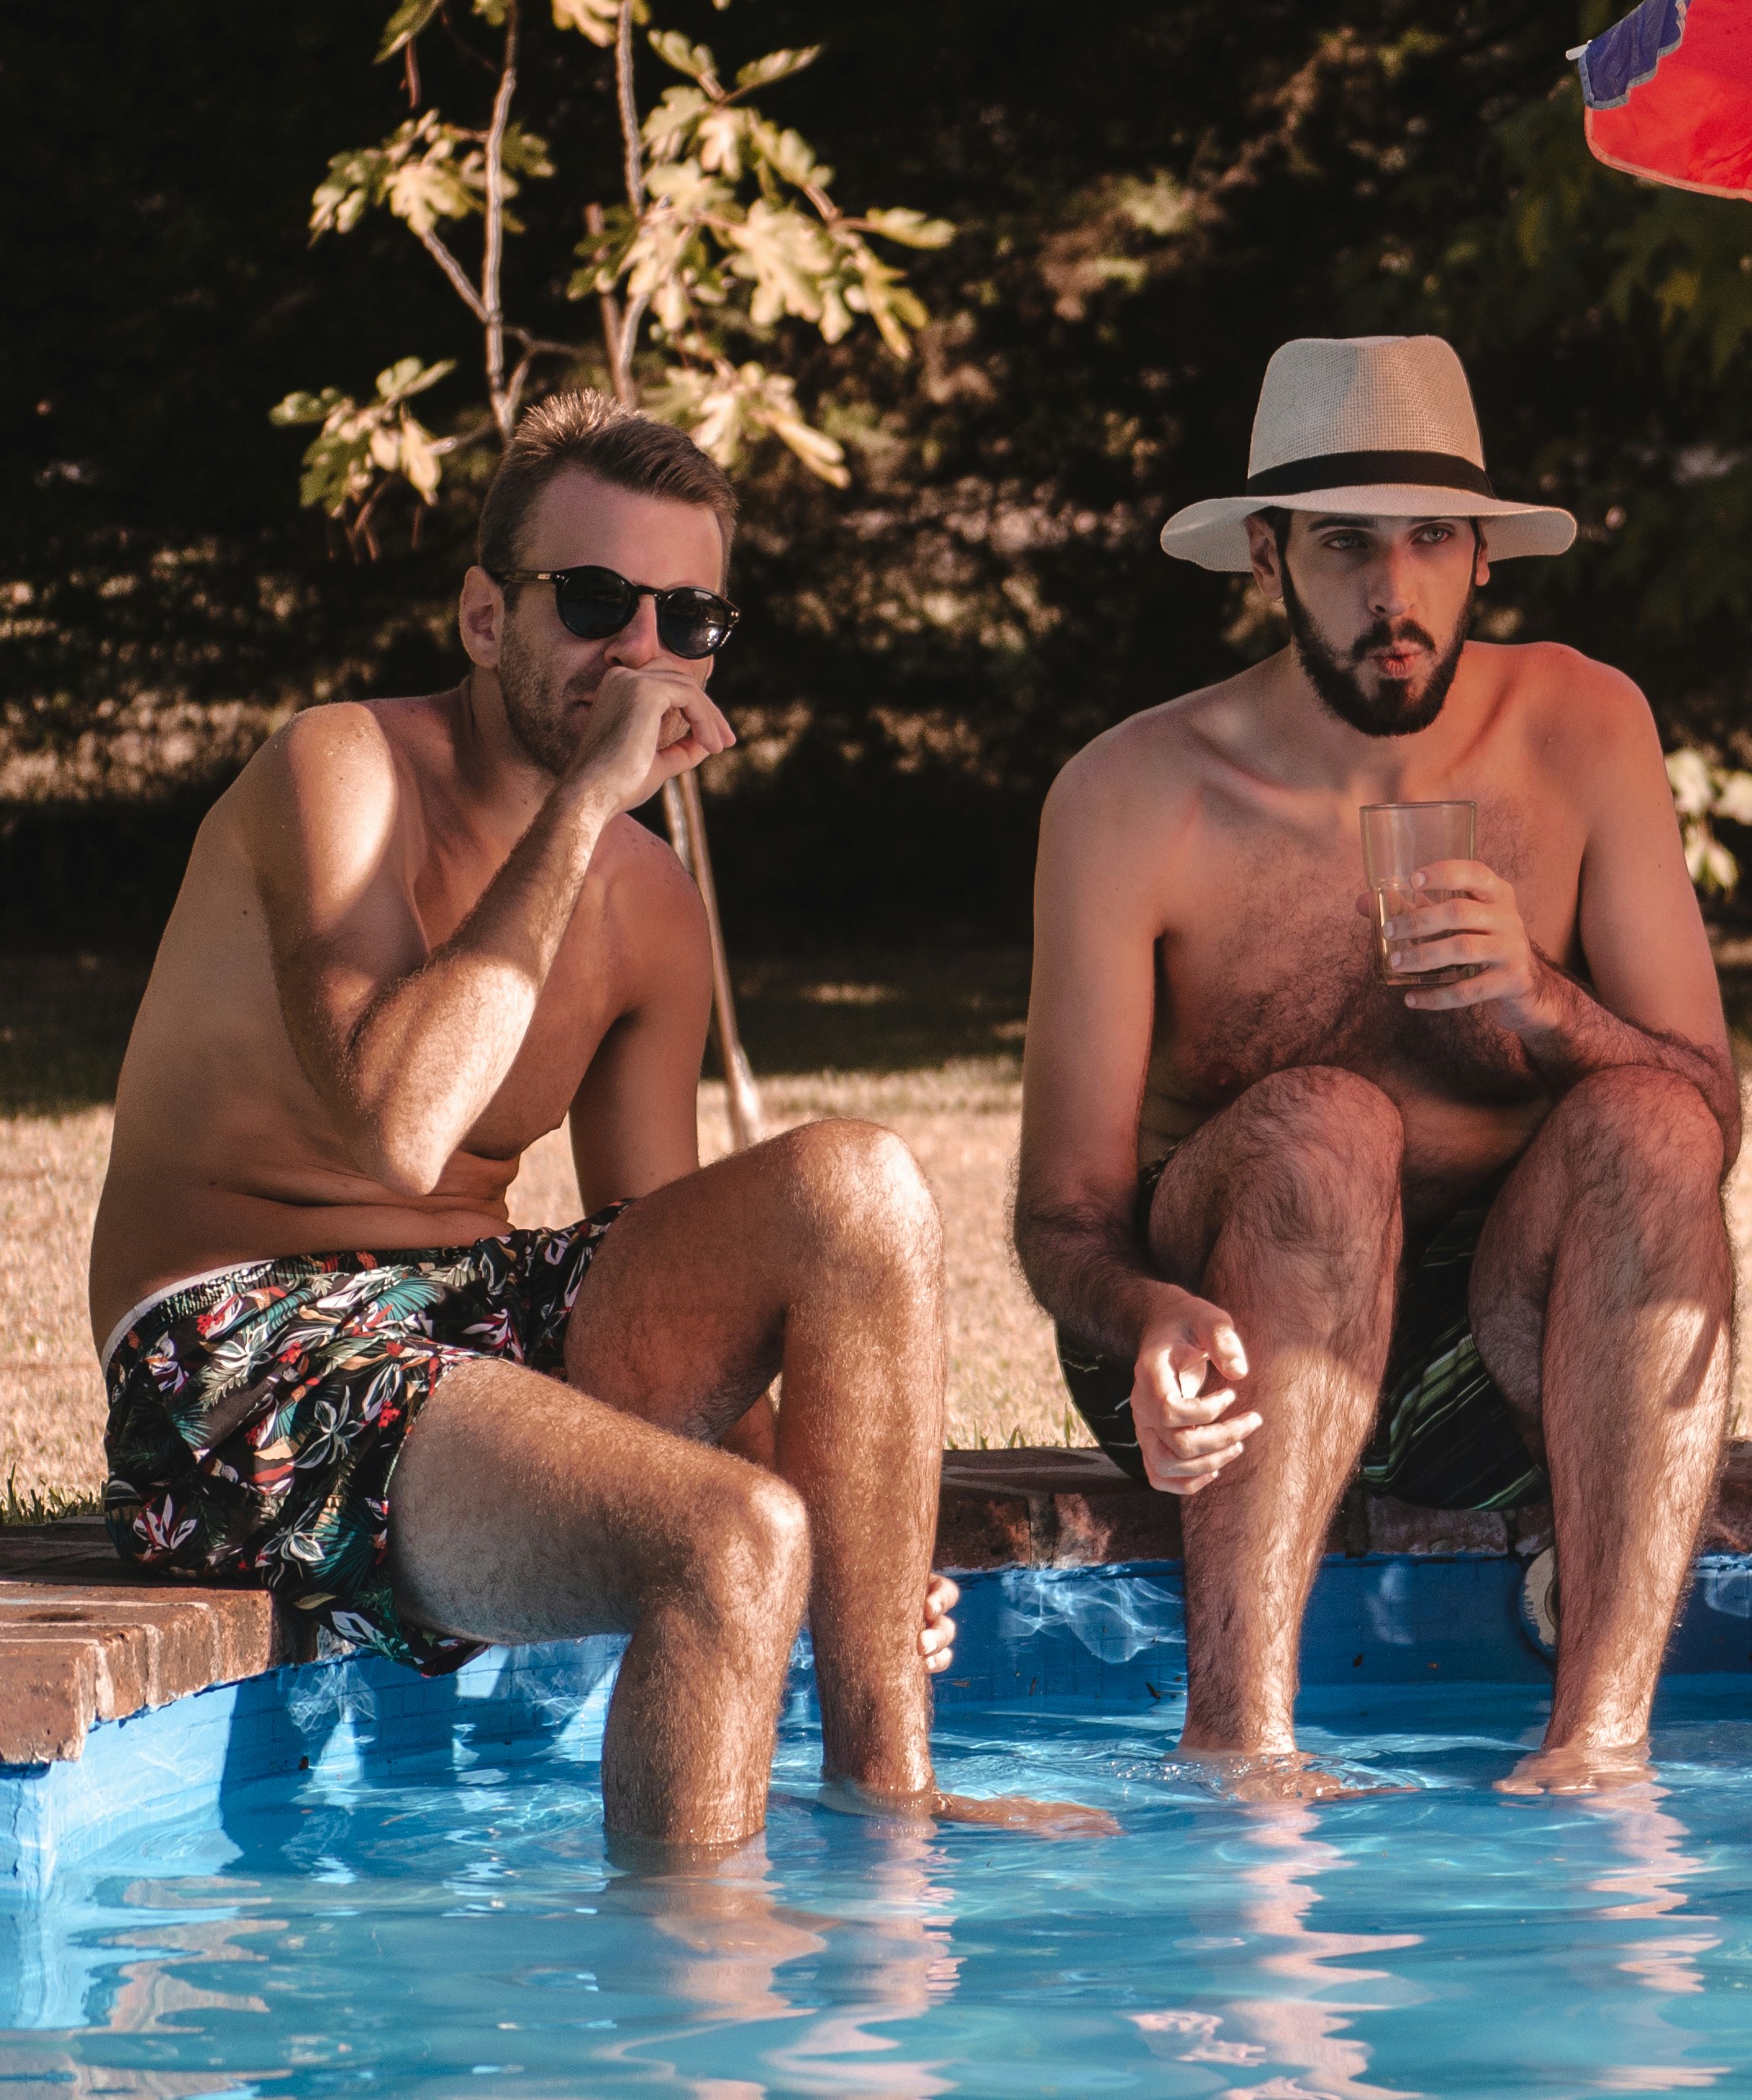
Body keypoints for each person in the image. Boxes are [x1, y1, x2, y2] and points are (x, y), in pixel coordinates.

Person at [88, 392, 1091, 1847]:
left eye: (686, 620)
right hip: (239, 1351)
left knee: (857, 1189)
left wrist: (830, 1511)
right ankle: (679, 2032)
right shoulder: (340, 773)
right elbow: (401, 1129)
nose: (642, 653)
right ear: (486, 617)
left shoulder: (648, 906)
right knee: (726, 1544)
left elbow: (675, 1274)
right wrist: (587, 811)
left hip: (465, 1326)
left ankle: (891, 1805)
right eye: (599, 601)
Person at [1014, 334, 1741, 1796]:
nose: (1392, 596)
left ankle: (1598, 1757)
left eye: (1430, 541)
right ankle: (1240, 1751)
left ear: (1484, 556)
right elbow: (1065, 1217)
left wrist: (1544, 999)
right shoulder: (1132, 797)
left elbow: (1706, 1114)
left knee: (1649, 1127)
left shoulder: (1584, 726)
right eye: (1346, 544)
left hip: (1509, 1348)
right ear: (1270, 558)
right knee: (1330, 1129)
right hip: (1216, 1345)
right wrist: (1147, 1313)